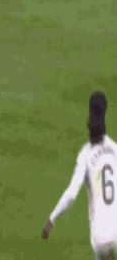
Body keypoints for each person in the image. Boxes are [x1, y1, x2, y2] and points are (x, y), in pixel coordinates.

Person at [42, 91, 117, 259]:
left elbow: (71, 194)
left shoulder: (86, 154)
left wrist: (52, 219)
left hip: (101, 235)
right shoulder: (115, 149)